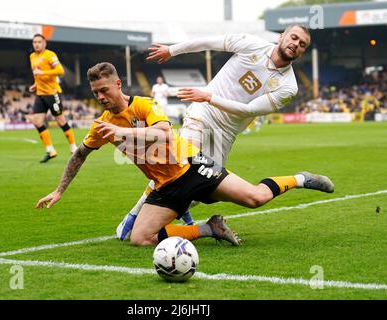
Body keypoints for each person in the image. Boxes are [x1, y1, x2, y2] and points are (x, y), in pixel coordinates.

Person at [36, 62, 334, 247]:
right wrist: (59, 190)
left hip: (192, 167)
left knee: (255, 198)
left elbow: (163, 133)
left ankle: (300, 179)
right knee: (139, 239)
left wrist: (122, 134)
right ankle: (209, 228)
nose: (100, 97)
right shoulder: (102, 124)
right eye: (95, 92)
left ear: (117, 84)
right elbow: (79, 156)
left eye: (104, 90)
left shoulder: (143, 104)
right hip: (165, 187)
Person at [117, 24, 311, 240]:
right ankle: (134, 216)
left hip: (225, 132)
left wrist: (210, 97)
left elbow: (249, 110)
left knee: (201, 186)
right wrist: (172, 50)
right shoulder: (251, 44)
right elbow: (207, 42)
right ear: (282, 35)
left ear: (303, 51)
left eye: (302, 44)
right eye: (294, 37)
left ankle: (194, 220)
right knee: (178, 163)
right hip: (203, 112)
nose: (296, 44)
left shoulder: (289, 86)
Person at [29, 33, 78, 163]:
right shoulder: (32, 56)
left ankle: (74, 148)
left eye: (39, 42)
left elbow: (60, 70)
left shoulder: (50, 55)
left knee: (60, 121)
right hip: (40, 94)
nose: (37, 44)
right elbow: (36, 75)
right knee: (37, 121)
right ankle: (50, 150)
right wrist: (35, 84)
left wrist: (43, 72)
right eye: (34, 42)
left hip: (52, 93)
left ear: (45, 43)